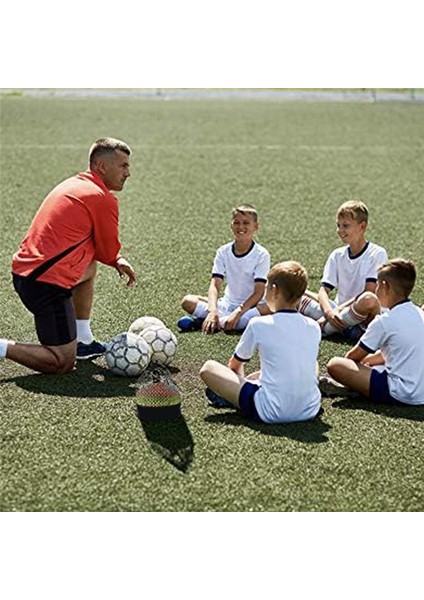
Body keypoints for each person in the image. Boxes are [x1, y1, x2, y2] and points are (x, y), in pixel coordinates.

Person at [0, 137, 136, 374]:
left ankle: (83, 340)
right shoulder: (101, 198)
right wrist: (115, 258)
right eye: (123, 166)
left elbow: (100, 252)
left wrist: (115, 259)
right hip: (45, 284)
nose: (128, 173)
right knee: (61, 361)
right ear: (102, 166)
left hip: (27, 273)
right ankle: (2, 347)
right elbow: (106, 250)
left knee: (89, 266)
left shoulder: (74, 183)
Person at [200, 261, 322, 423]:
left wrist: (239, 387)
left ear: (274, 290)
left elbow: (235, 366)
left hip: (268, 411)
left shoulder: (258, 323)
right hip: (309, 410)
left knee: (208, 368)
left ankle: (233, 400)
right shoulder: (314, 326)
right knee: (312, 364)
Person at [324, 259, 424, 406]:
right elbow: (398, 351)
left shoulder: (385, 321)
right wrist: (369, 361)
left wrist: (361, 367)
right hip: (421, 390)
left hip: (401, 393)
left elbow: (352, 357)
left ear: (385, 286)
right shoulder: (419, 313)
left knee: (336, 364)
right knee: (372, 364)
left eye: (377, 284)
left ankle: (354, 390)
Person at [298, 200, 388, 340]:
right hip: (338, 312)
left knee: (368, 300)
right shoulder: (337, 255)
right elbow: (323, 291)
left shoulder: (377, 253)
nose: (340, 230)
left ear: (362, 226)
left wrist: (333, 313)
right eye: (338, 225)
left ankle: (324, 328)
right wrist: (329, 312)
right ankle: (343, 329)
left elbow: (369, 291)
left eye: (346, 226)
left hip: (361, 313)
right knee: (295, 292)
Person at [178, 204, 271, 334]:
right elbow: (215, 284)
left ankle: (208, 322)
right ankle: (216, 320)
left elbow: (258, 292)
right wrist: (213, 310)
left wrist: (238, 312)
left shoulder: (262, 254)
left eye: (246, 223)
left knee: (265, 310)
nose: (241, 227)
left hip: (250, 308)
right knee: (187, 301)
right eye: (236, 222)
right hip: (226, 305)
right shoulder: (223, 251)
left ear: (256, 226)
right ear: (231, 225)